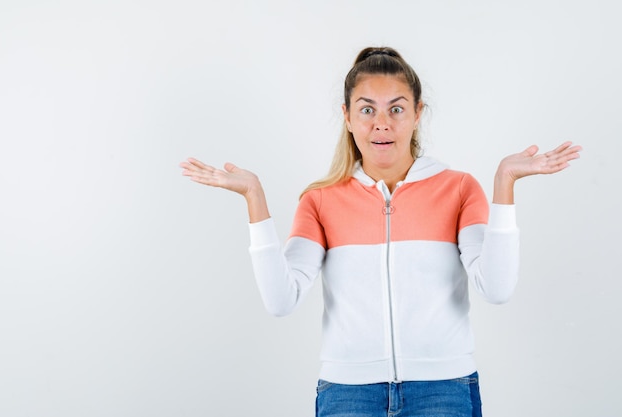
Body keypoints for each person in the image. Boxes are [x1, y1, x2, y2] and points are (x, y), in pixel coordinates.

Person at [180, 47, 582, 417]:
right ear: (348, 116)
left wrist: (504, 184)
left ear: (418, 113)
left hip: (444, 389)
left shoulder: (458, 188)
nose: (382, 124)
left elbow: (496, 288)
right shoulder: (320, 200)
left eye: (397, 109)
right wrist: (255, 198)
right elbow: (281, 300)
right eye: (367, 109)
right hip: (348, 392)